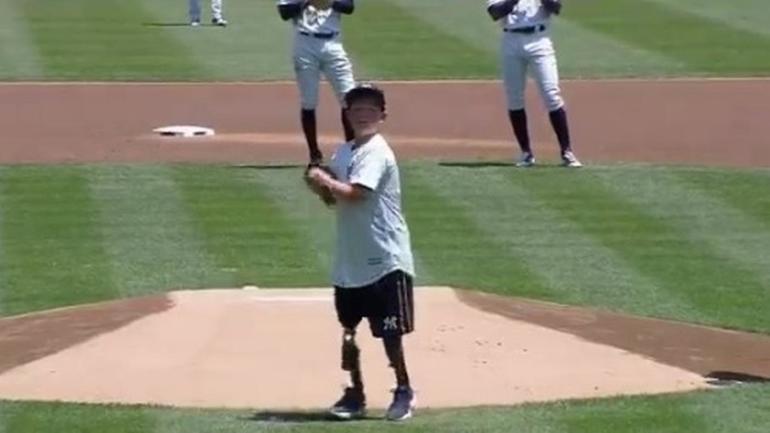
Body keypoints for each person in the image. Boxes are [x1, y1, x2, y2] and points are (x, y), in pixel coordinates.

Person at [304, 84, 417, 421]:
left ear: (382, 115)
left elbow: (357, 193)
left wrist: (324, 180)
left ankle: (403, 389)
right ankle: (355, 393)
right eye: (357, 109)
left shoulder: (378, 152)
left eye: (370, 109)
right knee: (349, 329)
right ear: (347, 114)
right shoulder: (343, 153)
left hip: (385, 258)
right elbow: (335, 200)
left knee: (390, 333)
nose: (364, 114)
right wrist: (319, 187)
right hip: (350, 260)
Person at [486, 0, 582, 167]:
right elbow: (495, 13)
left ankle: (567, 151)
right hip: (511, 40)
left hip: (540, 40)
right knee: (514, 97)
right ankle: (526, 153)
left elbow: (556, 8)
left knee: (551, 94)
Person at [277, 0, 356, 166]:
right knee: (309, 101)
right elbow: (284, 12)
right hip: (305, 43)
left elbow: (349, 7)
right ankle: (314, 154)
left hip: (333, 43)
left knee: (349, 98)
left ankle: (351, 152)